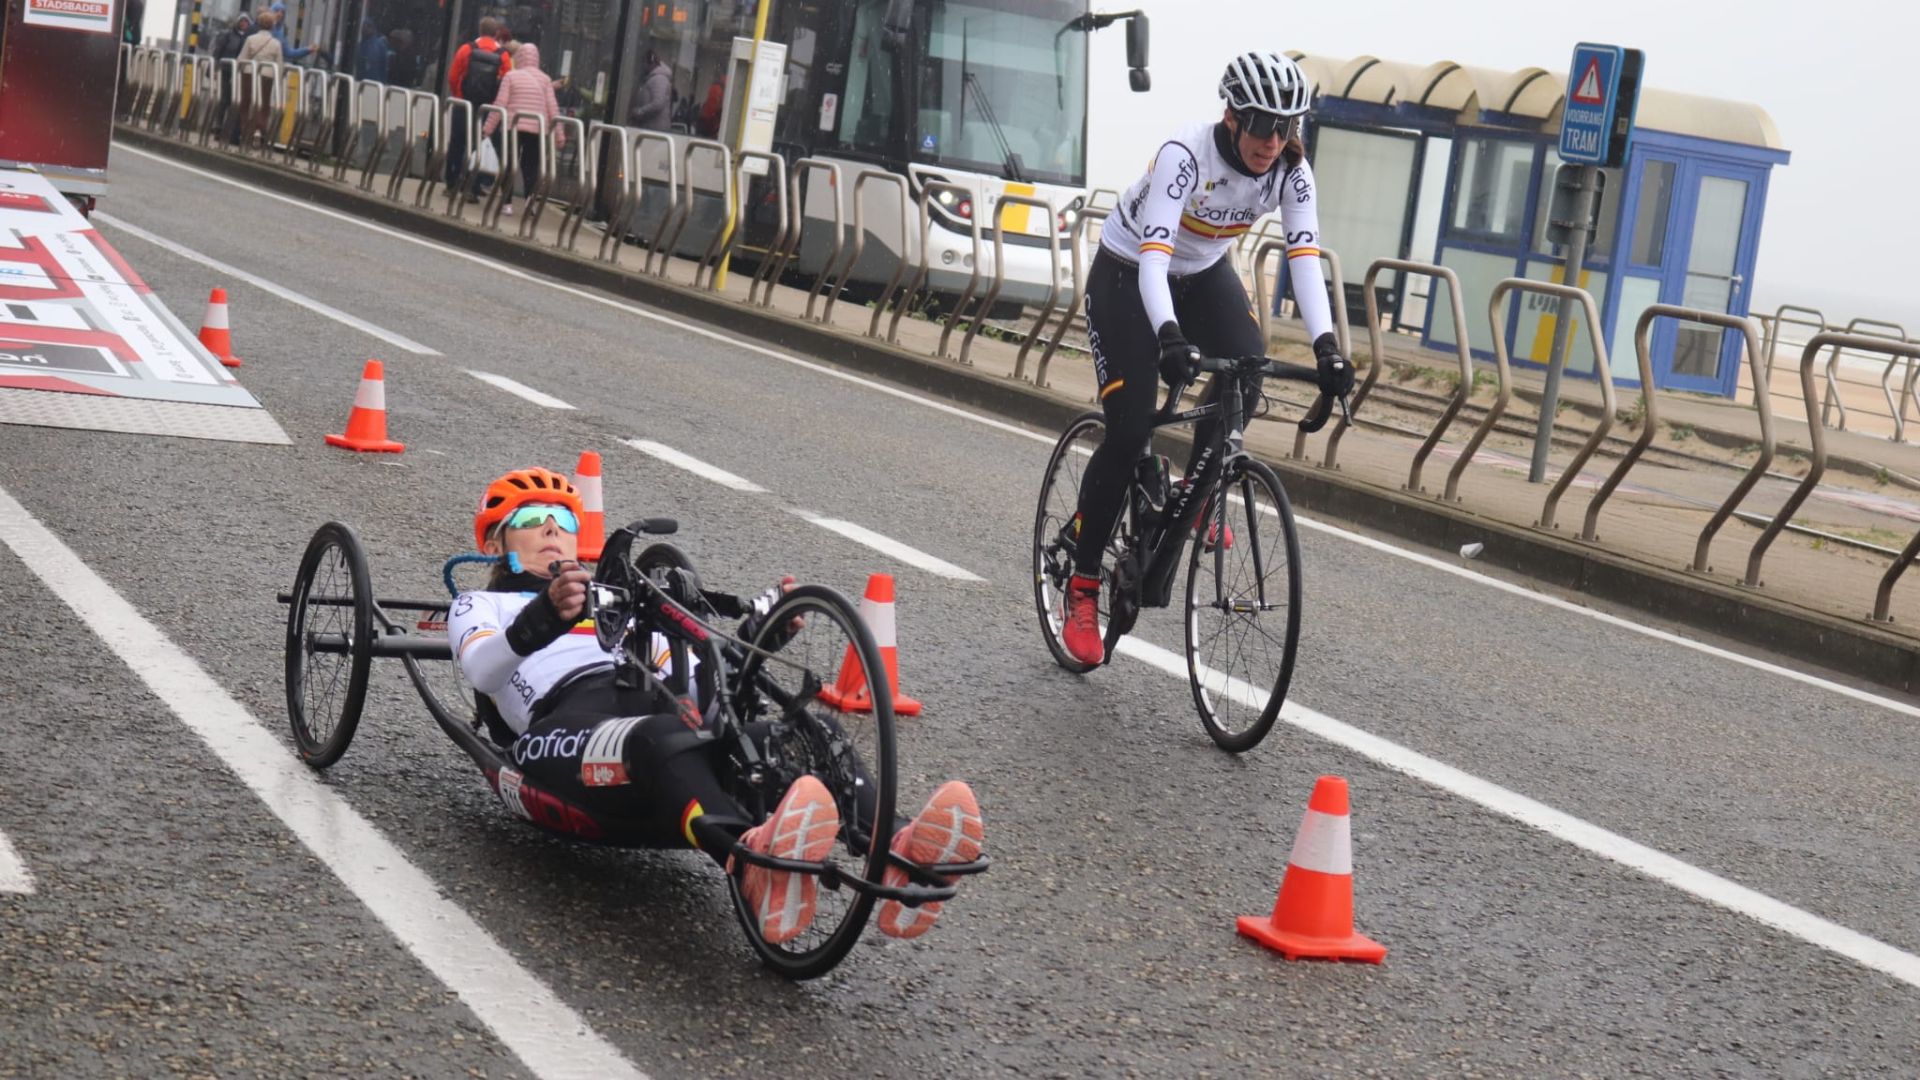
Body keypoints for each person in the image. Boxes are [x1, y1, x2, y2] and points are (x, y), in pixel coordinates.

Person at [449, 468, 987, 944]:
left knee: (803, 733)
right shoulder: (482, 603)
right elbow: (481, 669)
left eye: (564, 519)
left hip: (657, 716)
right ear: (498, 543)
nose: (552, 528)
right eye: (534, 515)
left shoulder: (617, 603)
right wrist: (542, 618)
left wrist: (759, 636)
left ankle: (903, 851)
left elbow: (702, 682)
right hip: (560, 732)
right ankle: (751, 864)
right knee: (657, 737)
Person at [1058, 52, 1353, 667]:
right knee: (1132, 423)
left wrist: (1328, 347)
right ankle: (1083, 587)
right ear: (1231, 116)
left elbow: (1304, 259)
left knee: (1245, 374)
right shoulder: (1184, 156)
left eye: (1287, 127)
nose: (1274, 141)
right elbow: (1154, 259)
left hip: (1204, 272)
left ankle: (1199, 498)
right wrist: (1167, 335)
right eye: (1263, 126)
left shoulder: (1292, 171)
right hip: (1129, 274)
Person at [481, 43, 565, 216]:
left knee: (509, 163)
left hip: (513, 126)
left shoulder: (511, 76)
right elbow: (553, 108)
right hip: (537, 129)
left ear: (518, 58)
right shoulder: (545, 79)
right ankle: (530, 201)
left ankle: (507, 203)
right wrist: (559, 134)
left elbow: (500, 104)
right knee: (531, 166)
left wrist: (488, 128)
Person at [446, 17, 515, 199]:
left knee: (457, 144)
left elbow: (453, 76)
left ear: (479, 29)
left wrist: (459, 95)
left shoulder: (466, 49)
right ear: (496, 33)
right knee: (477, 146)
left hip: (464, 105)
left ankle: (451, 183)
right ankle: (473, 186)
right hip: (486, 109)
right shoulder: (503, 56)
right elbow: (506, 84)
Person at [210, 12, 252, 144]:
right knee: (224, 100)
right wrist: (216, 68)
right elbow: (218, 52)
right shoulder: (227, 35)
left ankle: (227, 130)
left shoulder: (248, 38)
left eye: (247, 22)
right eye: (242, 21)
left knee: (234, 102)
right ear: (238, 22)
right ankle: (218, 127)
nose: (244, 24)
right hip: (226, 70)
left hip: (239, 72)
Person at [628, 50, 673, 131]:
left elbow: (658, 103)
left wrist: (640, 111)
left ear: (651, 63)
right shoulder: (651, 78)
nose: (643, 66)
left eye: (644, 62)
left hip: (655, 128)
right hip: (649, 126)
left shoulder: (659, 78)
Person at [353, 17, 390, 82]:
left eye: (367, 26)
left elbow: (375, 67)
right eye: (363, 26)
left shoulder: (378, 45)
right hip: (360, 80)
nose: (363, 29)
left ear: (373, 28)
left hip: (372, 83)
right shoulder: (361, 44)